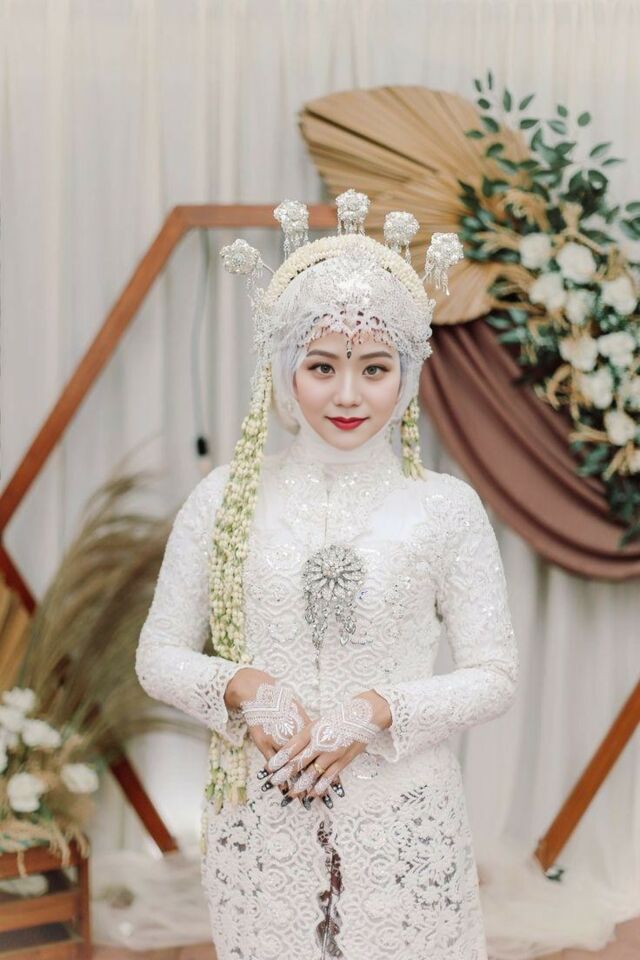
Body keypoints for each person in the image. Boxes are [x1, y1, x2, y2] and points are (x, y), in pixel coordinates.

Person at [135, 189, 519, 960]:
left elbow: (495, 674)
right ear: (285, 370)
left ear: (407, 373)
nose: (348, 395)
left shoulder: (444, 508)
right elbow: (157, 657)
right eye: (322, 366)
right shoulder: (224, 499)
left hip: (404, 822)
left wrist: (379, 710)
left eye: (374, 368)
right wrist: (246, 688)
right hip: (260, 823)